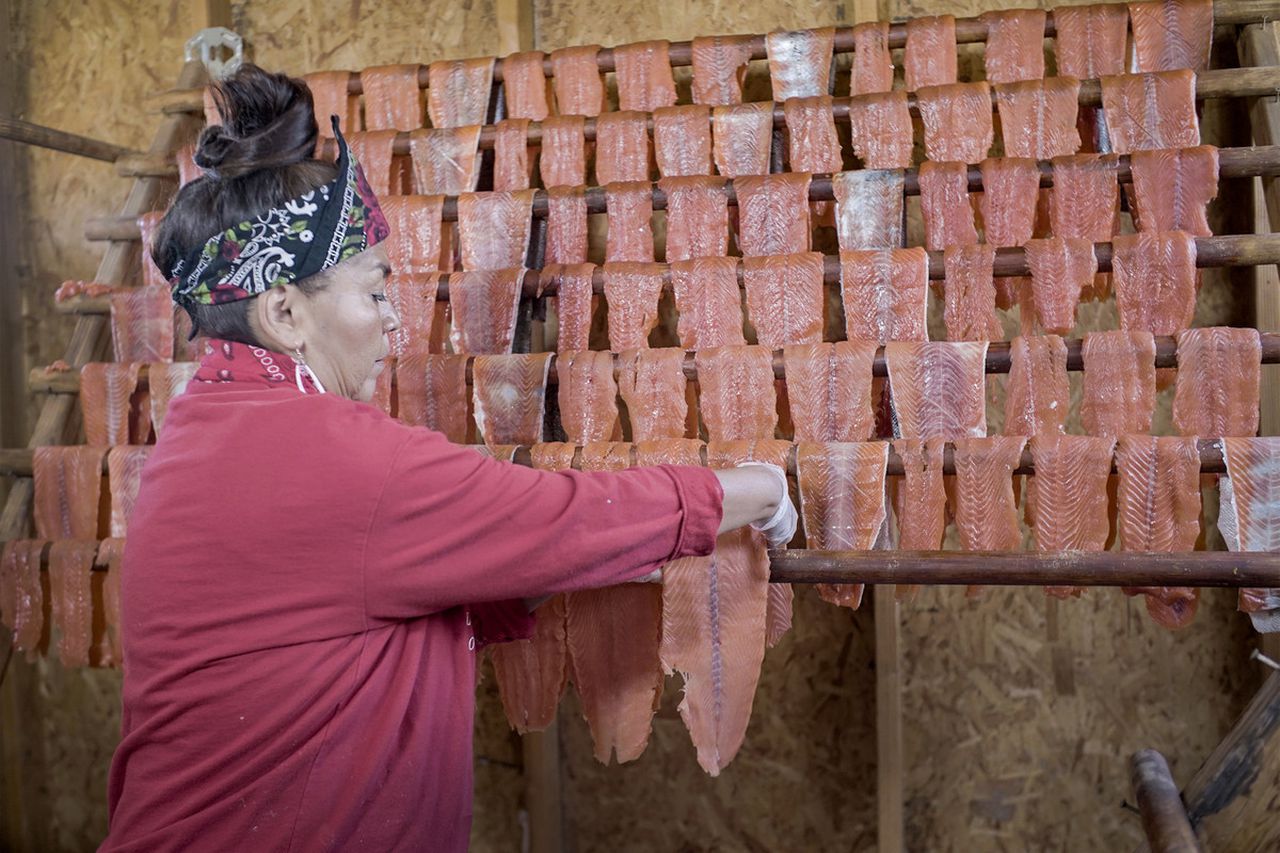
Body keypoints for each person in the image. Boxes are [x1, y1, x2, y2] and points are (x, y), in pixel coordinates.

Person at [101, 65, 797, 851]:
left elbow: (332, 616)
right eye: (373, 293)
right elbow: (560, 520)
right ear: (285, 311)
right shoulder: (334, 459)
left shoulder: (198, 434)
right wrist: (753, 490)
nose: (394, 323)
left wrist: (515, 577)